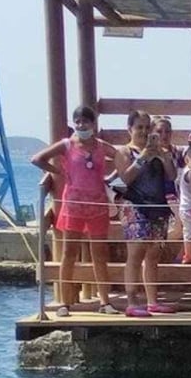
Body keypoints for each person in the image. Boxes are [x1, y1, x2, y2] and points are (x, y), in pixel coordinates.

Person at [31, 105, 123, 311]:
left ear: (93, 124)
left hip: (97, 204)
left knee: (99, 253)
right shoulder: (67, 144)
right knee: (69, 253)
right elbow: (37, 159)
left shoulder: (101, 146)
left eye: (85, 121)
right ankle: (64, 302)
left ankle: (105, 301)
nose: (82, 125)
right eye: (78, 121)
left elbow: (120, 157)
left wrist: (111, 178)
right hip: (73, 205)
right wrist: (59, 172)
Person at [117, 109, 179, 316]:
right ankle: (132, 301)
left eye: (146, 127)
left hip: (157, 206)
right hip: (134, 205)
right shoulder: (124, 152)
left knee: (153, 254)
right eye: (139, 127)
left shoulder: (160, 151)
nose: (143, 132)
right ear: (130, 129)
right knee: (136, 253)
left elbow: (171, 175)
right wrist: (142, 157)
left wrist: (162, 155)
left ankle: (152, 300)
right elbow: (125, 178)